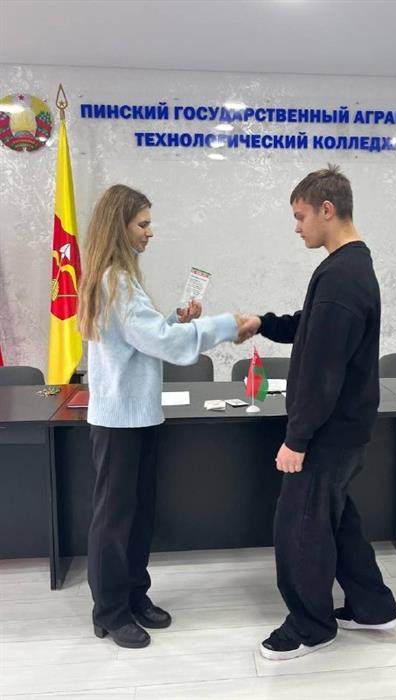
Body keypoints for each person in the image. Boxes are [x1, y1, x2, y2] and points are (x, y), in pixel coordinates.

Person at [238, 165, 396, 660]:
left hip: (328, 432)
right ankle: (373, 606)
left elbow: (323, 371)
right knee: (334, 518)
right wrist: (264, 323)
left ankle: (311, 626)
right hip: (346, 428)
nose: (297, 227)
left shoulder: (341, 276)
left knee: (301, 527)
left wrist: (298, 439)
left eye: (300, 215)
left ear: (327, 210)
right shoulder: (349, 266)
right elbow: (312, 327)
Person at [78, 184, 244, 649]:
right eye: (143, 224)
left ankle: (134, 596)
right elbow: (164, 344)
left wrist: (174, 319)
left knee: (136, 516)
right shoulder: (114, 280)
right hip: (119, 422)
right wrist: (226, 324)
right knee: (115, 521)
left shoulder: (123, 279)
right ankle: (110, 612)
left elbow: (145, 338)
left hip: (138, 417)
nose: (150, 232)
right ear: (120, 226)